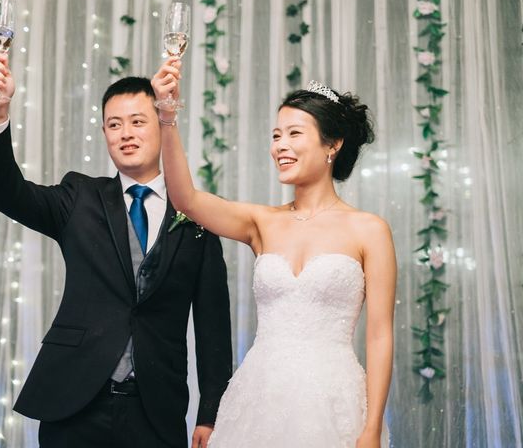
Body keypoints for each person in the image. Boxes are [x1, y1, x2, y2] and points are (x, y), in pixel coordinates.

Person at [0, 51, 233, 448]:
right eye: (114, 124)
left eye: (137, 121)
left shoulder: (198, 216)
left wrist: (210, 413)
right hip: (74, 404)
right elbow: (4, 191)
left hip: (156, 410)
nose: (125, 133)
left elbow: (213, 327)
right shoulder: (80, 197)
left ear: (162, 126)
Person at [152, 58, 395, 447]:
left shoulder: (369, 230)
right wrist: (166, 116)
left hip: (332, 400)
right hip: (260, 396)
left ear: (332, 144)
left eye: (294, 134)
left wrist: (371, 429)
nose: (280, 145)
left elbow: (380, 336)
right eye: (276, 135)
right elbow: (186, 199)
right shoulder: (261, 222)